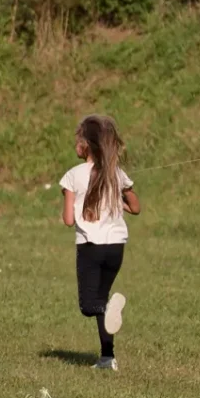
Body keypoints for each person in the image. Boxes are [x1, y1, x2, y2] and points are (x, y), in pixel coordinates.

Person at [59, 115, 140, 371]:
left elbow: (69, 220)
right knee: (102, 301)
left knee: (89, 306)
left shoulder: (72, 176)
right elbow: (135, 208)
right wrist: (116, 201)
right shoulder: (117, 173)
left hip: (90, 247)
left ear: (85, 145)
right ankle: (107, 358)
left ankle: (109, 311)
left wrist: (67, 201)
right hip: (116, 248)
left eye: (77, 140)